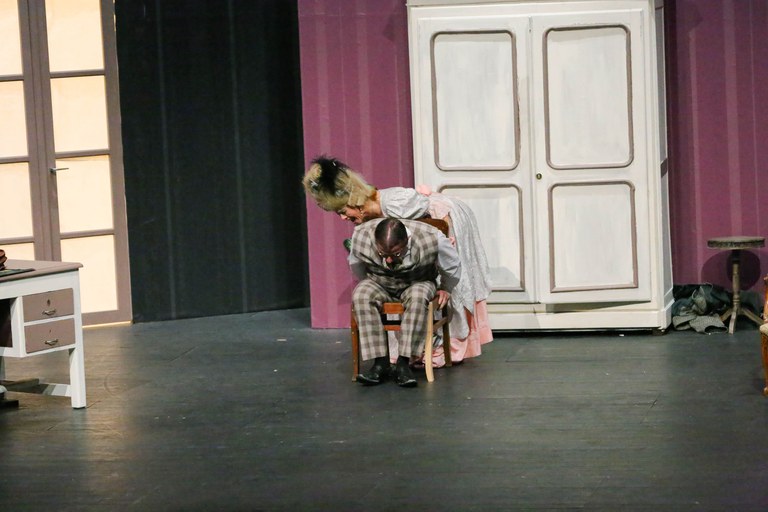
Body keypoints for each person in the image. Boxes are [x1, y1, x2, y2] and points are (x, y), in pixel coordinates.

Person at [303, 156, 493, 367]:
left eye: (342, 211)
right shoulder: (369, 218)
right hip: (424, 229)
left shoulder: (397, 204)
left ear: (354, 203)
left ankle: (442, 345)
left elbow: (434, 225)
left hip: (445, 219)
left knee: (444, 280)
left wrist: (446, 243)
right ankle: (413, 347)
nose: (342, 218)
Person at [349, 217, 461, 387]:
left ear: (407, 240)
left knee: (418, 297)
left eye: (396, 254)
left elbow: (452, 265)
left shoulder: (431, 237)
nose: (389, 260)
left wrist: (446, 287)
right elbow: (356, 266)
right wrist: (371, 282)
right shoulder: (361, 235)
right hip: (380, 282)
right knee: (361, 294)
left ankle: (404, 363)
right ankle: (380, 363)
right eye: (383, 254)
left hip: (417, 281)